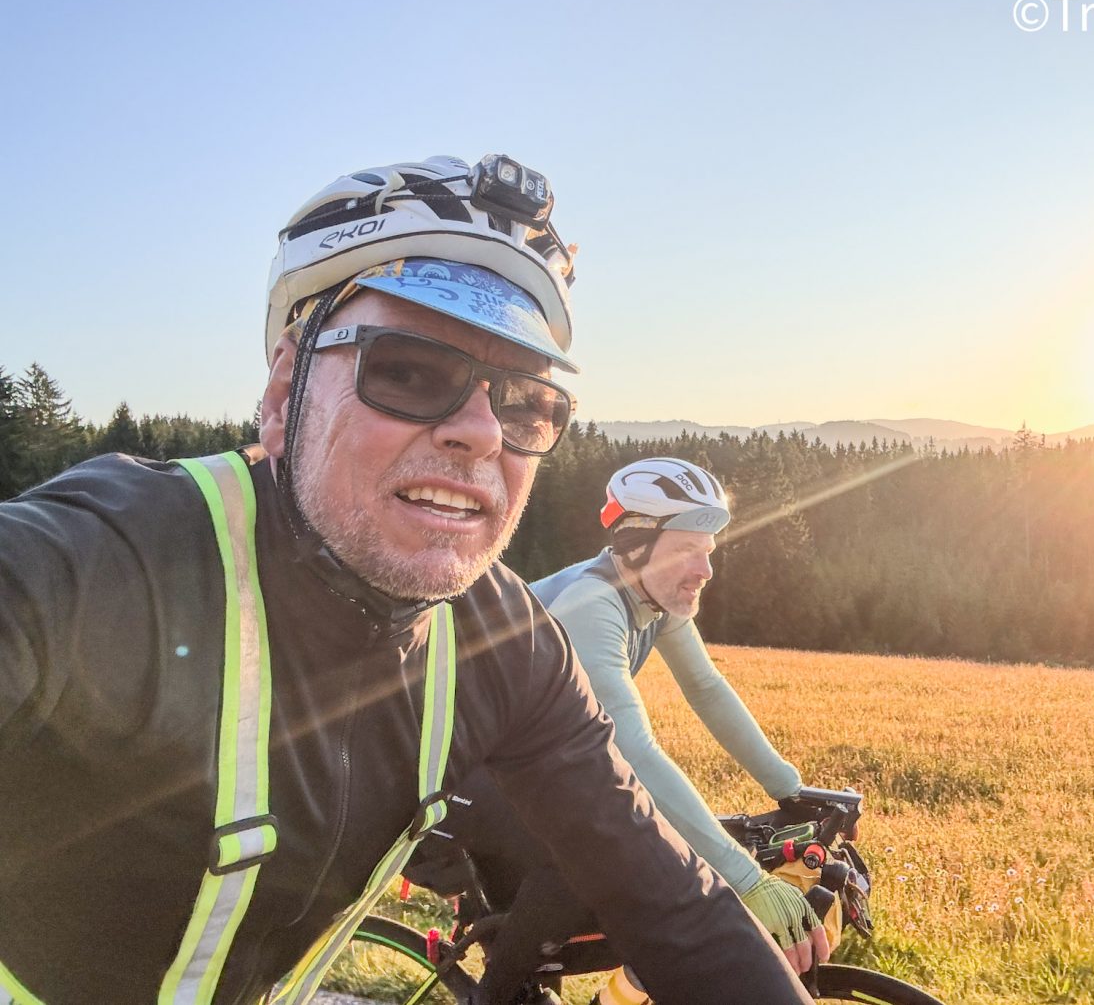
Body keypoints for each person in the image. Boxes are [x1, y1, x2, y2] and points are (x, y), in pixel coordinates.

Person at [0, 154, 811, 1005]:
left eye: (525, 403)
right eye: (409, 371)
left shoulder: (506, 644)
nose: (481, 433)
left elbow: (676, 913)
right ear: (283, 394)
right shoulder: (104, 560)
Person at [530, 458, 831, 995]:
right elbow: (630, 752)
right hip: (470, 788)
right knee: (654, 892)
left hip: (539, 771)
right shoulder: (592, 604)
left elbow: (707, 689)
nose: (706, 569)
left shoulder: (652, 595)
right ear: (635, 546)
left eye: (708, 549)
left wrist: (791, 789)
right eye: (688, 548)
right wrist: (747, 880)